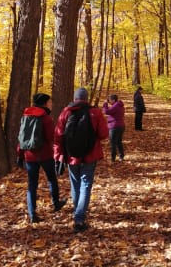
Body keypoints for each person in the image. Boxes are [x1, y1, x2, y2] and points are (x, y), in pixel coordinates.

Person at [54, 87, 109, 232]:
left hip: (71, 156)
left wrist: (58, 154)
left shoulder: (66, 112)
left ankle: (77, 214)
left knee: (75, 184)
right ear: (87, 98)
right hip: (90, 155)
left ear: (74, 98)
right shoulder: (95, 112)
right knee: (85, 184)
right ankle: (79, 219)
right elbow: (104, 134)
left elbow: (58, 135)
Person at [16, 93, 67, 223]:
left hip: (29, 155)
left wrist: (20, 154)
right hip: (45, 155)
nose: (51, 104)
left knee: (32, 184)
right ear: (44, 103)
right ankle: (56, 204)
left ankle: (32, 213)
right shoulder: (46, 118)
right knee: (51, 179)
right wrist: (57, 153)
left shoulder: (26, 116)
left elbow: (22, 136)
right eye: (49, 102)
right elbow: (51, 137)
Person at [102, 94, 126, 162]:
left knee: (113, 143)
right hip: (121, 126)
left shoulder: (115, 106)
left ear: (113, 100)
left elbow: (106, 111)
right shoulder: (120, 105)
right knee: (119, 142)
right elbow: (111, 112)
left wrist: (105, 104)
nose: (109, 102)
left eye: (109, 100)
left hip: (115, 126)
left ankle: (113, 158)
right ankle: (121, 156)